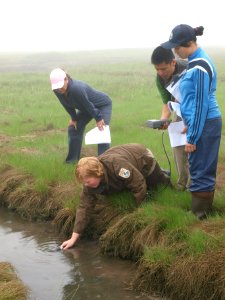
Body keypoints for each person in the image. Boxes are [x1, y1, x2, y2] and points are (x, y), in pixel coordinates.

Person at [161, 24, 222, 219]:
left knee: (201, 167)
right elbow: (192, 100)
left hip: (206, 122)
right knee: (198, 165)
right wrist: (189, 122)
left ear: (188, 44)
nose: (175, 52)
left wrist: (193, 136)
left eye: (177, 48)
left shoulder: (200, 66)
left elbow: (201, 104)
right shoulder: (195, 62)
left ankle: (199, 215)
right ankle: (200, 212)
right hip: (200, 122)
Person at [60, 143, 172, 249]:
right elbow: (84, 207)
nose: (86, 185)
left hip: (143, 158)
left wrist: (139, 211)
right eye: (84, 182)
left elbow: (138, 183)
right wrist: (73, 238)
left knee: (158, 186)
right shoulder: (90, 181)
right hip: (126, 163)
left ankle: (162, 173)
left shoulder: (118, 167)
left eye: (88, 181)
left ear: (97, 173)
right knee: (123, 187)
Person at [50, 68, 112, 163]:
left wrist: (99, 119)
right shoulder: (57, 90)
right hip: (86, 108)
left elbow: (89, 105)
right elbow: (65, 104)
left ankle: (103, 163)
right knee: (73, 128)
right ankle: (72, 161)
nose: (59, 89)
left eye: (61, 85)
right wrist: (73, 118)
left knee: (102, 131)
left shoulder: (76, 89)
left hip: (102, 104)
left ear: (66, 79)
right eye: (57, 87)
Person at [151, 46, 190, 191]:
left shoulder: (188, 68)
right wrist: (163, 120)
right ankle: (182, 184)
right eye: (157, 69)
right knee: (178, 144)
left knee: (194, 145)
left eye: (164, 69)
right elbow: (166, 102)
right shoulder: (159, 79)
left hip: (197, 109)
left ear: (173, 62)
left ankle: (195, 185)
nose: (160, 73)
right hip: (179, 110)